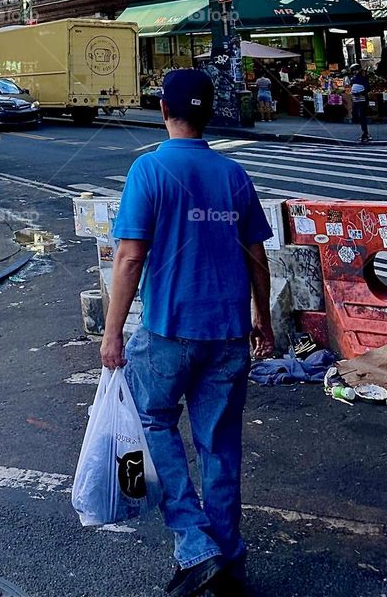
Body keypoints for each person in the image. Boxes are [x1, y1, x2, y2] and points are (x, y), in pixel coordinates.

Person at [101, 69, 274, 597]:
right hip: (227, 334)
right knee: (220, 446)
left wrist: (110, 335)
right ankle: (227, 560)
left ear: (162, 109)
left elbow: (130, 259)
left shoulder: (148, 169)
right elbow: (258, 259)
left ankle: (195, 545)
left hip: (168, 331)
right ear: (208, 113)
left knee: (152, 421)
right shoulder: (233, 174)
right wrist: (261, 319)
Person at [350, 66, 370, 143]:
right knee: (361, 116)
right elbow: (367, 88)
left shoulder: (356, 79)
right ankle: (365, 133)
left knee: (361, 116)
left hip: (360, 98)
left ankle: (365, 133)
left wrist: (357, 93)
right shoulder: (361, 79)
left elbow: (367, 88)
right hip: (359, 98)